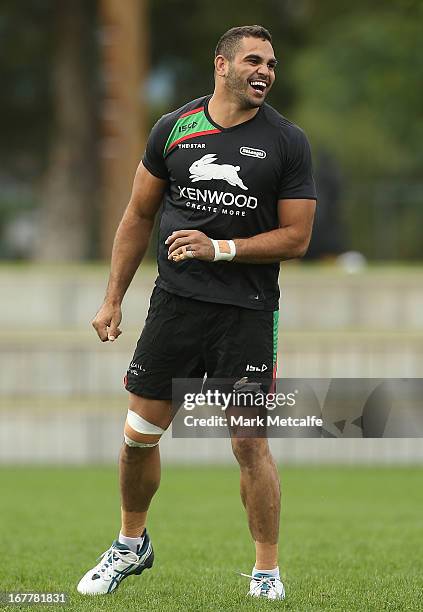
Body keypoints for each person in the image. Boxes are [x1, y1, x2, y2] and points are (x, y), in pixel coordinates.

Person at [77, 24, 316, 601]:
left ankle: (265, 573)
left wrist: (222, 248)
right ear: (222, 65)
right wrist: (113, 298)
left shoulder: (287, 141)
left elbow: (298, 237)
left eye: (272, 64)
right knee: (139, 435)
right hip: (175, 307)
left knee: (248, 443)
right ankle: (131, 546)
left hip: (249, 312)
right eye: (254, 61)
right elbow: (137, 216)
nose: (265, 72)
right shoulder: (174, 129)